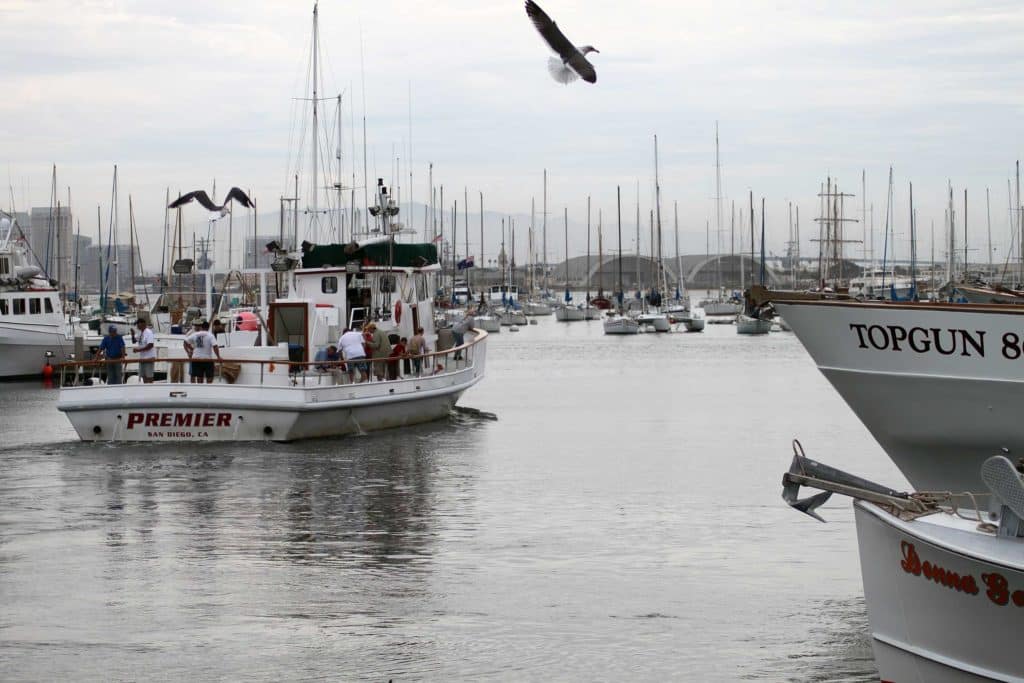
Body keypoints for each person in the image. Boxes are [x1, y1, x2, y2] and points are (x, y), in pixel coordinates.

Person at [132, 318, 156, 383]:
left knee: (149, 377)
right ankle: (146, 391)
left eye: (138, 324)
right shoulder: (140, 333)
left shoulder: (149, 332)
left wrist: (138, 350)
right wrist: (132, 334)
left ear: (143, 324)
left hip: (149, 358)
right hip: (142, 358)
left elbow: (150, 345)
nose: (137, 325)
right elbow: (134, 341)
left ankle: (150, 391)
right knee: (143, 377)